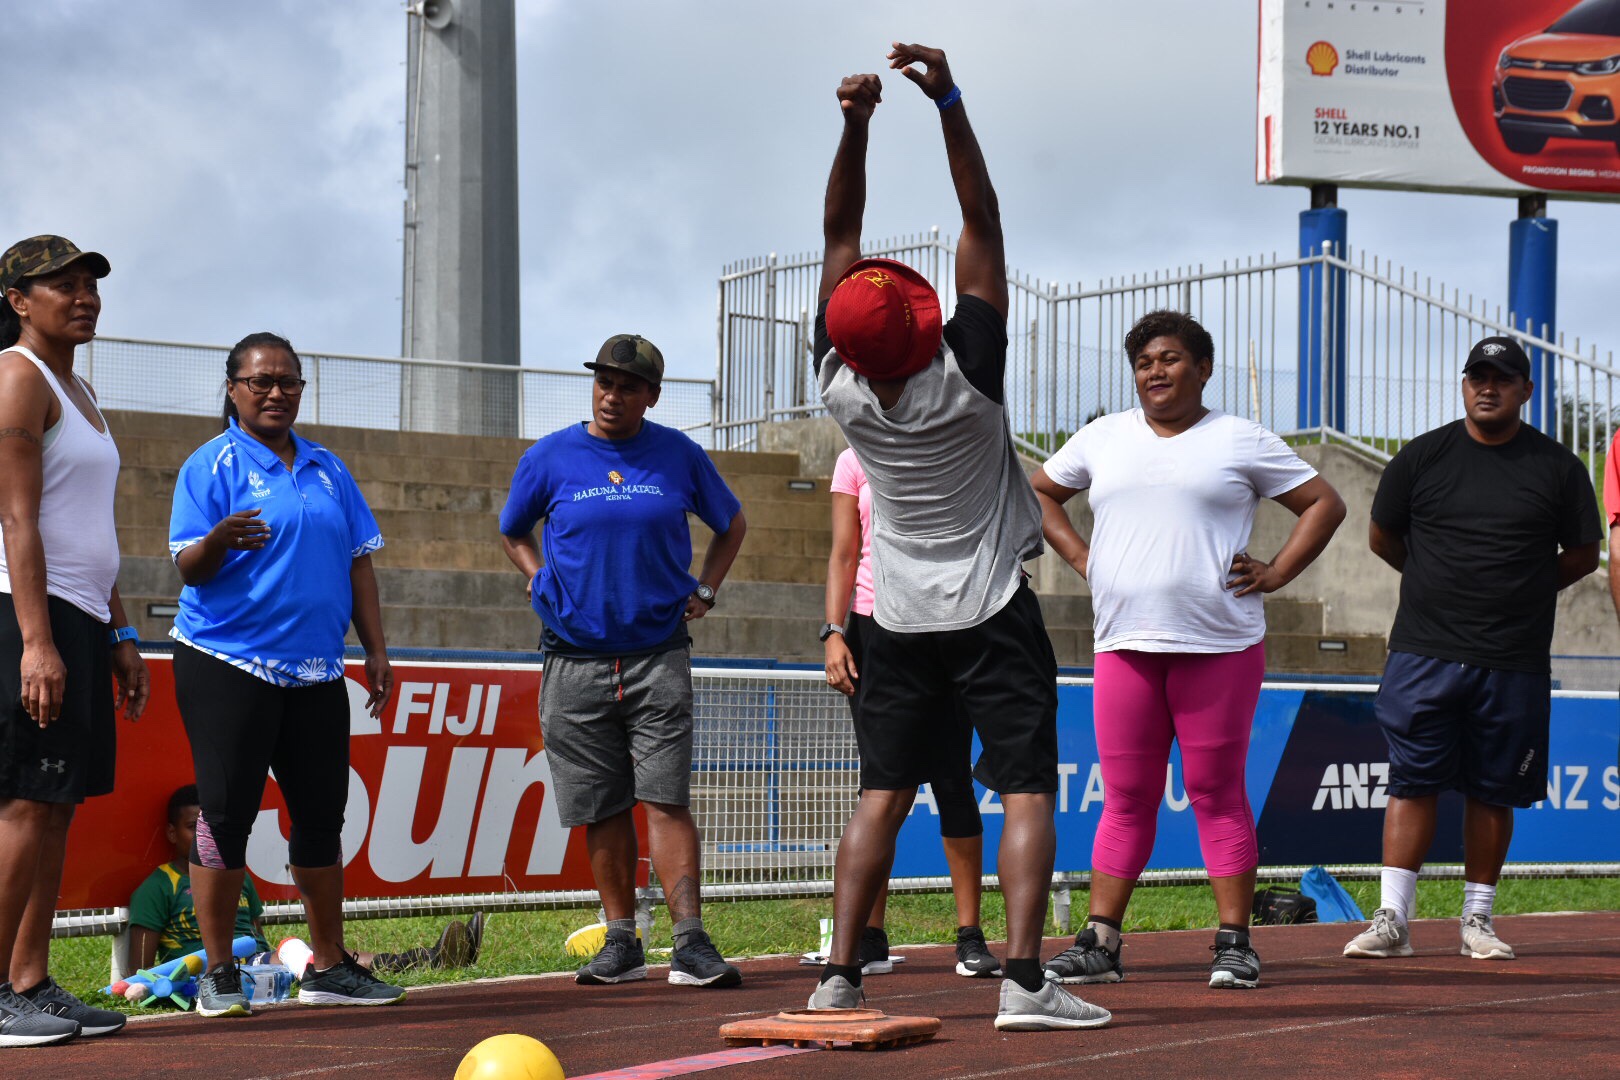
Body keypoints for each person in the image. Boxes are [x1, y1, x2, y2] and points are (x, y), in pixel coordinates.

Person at [805, 43, 1108, 1032]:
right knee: (1024, 789)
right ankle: (1025, 982)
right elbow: (983, 220)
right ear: (928, 331)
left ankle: (839, 975)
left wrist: (855, 125)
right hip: (988, 606)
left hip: (893, 613)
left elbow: (838, 225)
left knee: (882, 794)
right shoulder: (969, 371)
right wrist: (949, 101)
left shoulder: (836, 386)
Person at [1031, 310, 1346, 990]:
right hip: (1124, 646)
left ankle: (1235, 942)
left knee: (1216, 792)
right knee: (1127, 798)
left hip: (1220, 646)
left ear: (1203, 368)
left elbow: (1324, 503)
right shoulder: (1103, 437)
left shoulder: (1240, 439)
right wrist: (1084, 557)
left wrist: (1280, 571)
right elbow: (1041, 493)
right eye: (1144, 362)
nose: (1155, 372)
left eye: (1170, 359)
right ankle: (1101, 940)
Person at [499, 333, 748, 990]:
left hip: (657, 654)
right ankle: (621, 940)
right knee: (602, 808)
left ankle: (691, 941)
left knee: (665, 799)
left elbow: (732, 523)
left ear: (651, 396)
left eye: (628, 387)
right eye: (604, 383)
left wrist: (706, 587)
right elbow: (511, 528)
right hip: (572, 659)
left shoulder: (678, 455)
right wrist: (536, 575)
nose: (613, 396)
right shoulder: (550, 456)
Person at [1343, 336, 1600, 962]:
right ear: (1464, 385)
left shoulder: (1560, 467)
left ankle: (1476, 921)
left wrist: (1519, 593)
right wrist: (1439, 587)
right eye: (1477, 377)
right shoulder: (1422, 457)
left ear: (1525, 391)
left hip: (1512, 658)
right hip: (1424, 651)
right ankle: (1393, 920)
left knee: (1493, 790)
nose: (1488, 387)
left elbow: (1583, 556)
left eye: (1503, 378)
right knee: (1411, 781)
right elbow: (1383, 538)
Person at [167, 332, 400, 1017]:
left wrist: (375, 650)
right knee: (226, 814)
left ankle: (329, 964)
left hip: (317, 672)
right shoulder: (210, 465)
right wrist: (217, 541)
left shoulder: (330, 469)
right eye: (260, 381)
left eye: (289, 382)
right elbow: (187, 565)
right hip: (226, 662)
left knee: (322, 815)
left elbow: (360, 561)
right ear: (233, 389)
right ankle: (218, 975)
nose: (276, 392)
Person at [0, 235, 149, 1047]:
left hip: (84, 615)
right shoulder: (16, 375)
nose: (85, 294)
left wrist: (120, 628)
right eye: (63, 284)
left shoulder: (78, 387)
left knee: (55, 805)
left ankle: (29, 980)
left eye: (91, 282)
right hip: (33, 614)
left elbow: (89, 528)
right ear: (20, 300)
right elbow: (17, 518)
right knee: (24, 801)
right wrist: (36, 642)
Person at [823, 446, 1001, 979]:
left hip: (949, 623)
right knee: (882, 785)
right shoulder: (852, 460)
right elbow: (842, 552)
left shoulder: (951, 441)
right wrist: (834, 633)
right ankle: (867, 938)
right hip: (874, 629)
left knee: (952, 779)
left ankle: (970, 936)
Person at [131, 786, 483, 976]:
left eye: (207, 826)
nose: (203, 835)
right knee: (306, 953)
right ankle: (425, 959)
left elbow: (256, 935)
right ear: (171, 833)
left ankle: (425, 959)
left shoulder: (238, 877)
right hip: (204, 973)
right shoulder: (158, 887)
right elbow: (140, 970)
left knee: (329, 953)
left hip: (257, 964)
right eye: (193, 828)